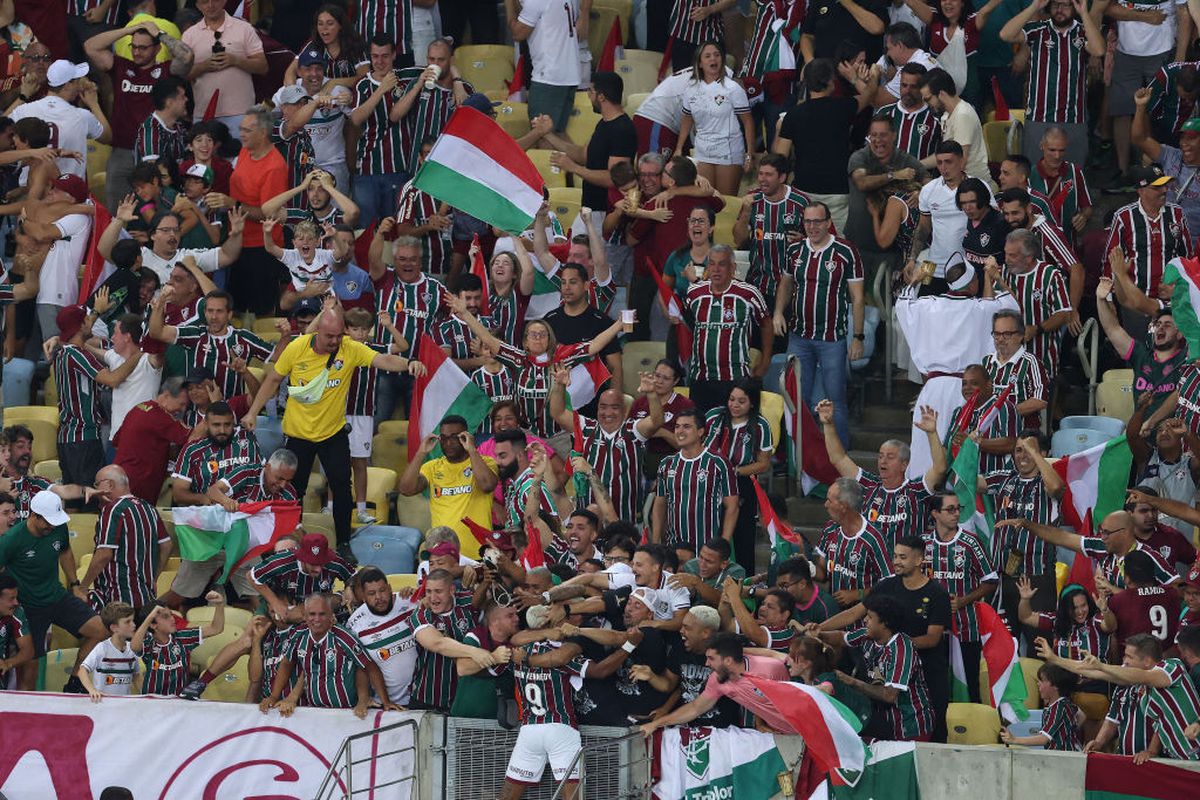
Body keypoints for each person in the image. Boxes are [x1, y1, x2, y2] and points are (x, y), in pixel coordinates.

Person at [241, 310, 425, 558]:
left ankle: (343, 543)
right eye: (329, 336)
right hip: (298, 435)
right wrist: (253, 412)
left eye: (339, 336)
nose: (334, 341)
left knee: (341, 487)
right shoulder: (297, 348)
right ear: (318, 331)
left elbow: (383, 360)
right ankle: (284, 541)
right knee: (293, 490)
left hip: (332, 433)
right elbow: (273, 379)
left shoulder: (350, 348)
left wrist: (409, 363)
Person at [816, 535, 952, 738]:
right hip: (887, 670)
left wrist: (893, 645)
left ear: (919, 560)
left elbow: (932, 638)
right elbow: (854, 614)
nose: (896, 561)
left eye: (903, 557)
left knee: (931, 728)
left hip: (927, 675)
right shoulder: (887, 585)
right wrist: (819, 628)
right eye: (895, 556)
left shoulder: (936, 593)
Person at [447, 292, 623, 443]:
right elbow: (489, 339)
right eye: (533, 334)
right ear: (525, 341)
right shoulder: (518, 359)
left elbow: (594, 345)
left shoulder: (562, 359)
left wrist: (619, 324)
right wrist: (465, 313)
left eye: (542, 334)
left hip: (559, 437)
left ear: (549, 339)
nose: (538, 337)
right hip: (526, 437)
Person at [774, 202, 863, 448]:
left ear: (827, 222)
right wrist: (778, 313)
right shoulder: (794, 251)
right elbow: (785, 284)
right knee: (795, 398)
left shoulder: (845, 251)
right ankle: (798, 458)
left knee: (835, 399)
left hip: (832, 338)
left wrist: (858, 336)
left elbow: (857, 297)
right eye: (808, 222)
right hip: (799, 336)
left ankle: (841, 454)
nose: (812, 227)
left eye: (817, 221)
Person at [350, 567, 504, 707]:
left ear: (451, 590)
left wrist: (482, 577)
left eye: (438, 591)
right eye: (428, 591)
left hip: (463, 697)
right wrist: (475, 652)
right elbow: (437, 643)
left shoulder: (466, 601)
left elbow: (489, 601)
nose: (432, 597)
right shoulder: (420, 613)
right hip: (428, 699)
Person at [83, 21, 193, 207]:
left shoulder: (166, 70)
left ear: (157, 48)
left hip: (153, 152)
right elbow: (90, 46)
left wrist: (159, 34)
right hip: (122, 151)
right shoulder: (122, 66)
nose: (136, 52)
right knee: (116, 208)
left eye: (143, 48)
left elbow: (187, 56)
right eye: (133, 46)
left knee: (154, 206)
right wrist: (132, 29)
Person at [1044, 633, 1200, 760]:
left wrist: (1102, 665)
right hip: (1179, 758)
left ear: (1146, 661)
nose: (1124, 661)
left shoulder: (1172, 666)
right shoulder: (1143, 689)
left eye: (1129, 657)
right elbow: (1092, 671)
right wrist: (1055, 659)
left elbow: (1141, 675)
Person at [773, 59, 878, 232]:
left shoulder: (793, 115)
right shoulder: (844, 107)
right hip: (837, 190)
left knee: (807, 243)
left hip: (803, 190)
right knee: (837, 246)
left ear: (806, 83)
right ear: (831, 82)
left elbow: (780, 156)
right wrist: (875, 76)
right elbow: (869, 94)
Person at [998, 0, 1104, 167]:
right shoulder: (1038, 29)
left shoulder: (1083, 31)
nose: (1060, 10)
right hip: (1038, 116)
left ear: (1074, 6)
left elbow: (1098, 49)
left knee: (1072, 174)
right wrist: (1034, 6)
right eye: (1055, 5)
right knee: (1035, 172)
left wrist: (1084, 13)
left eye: (1066, 5)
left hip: (1073, 117)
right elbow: (1006, 34)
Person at [549, 367, 661, 524]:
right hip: (588, 523)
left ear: (624, 410)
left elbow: (656, 421)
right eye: (603, 407)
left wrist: (652, 394)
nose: (608, 412)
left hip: (624, 521)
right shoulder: (585, 427)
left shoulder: (633, 431)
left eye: (615, 407)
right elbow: (557, 413)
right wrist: (559, 386)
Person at [50, 304, 141, 487]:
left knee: (74, 499)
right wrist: (139, 356)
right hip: (83, 437)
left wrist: (97, 311)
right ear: (81, 325)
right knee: (91, 499)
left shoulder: (61, 353)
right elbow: (113, 379)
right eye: (87, 320)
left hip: (67, 438)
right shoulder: (77, 355)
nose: (90, 323)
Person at [637, 632, 793, 738]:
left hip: (805, 729)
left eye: (711, 658)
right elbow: (695, 708)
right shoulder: (717, 679)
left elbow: (797, 698)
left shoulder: (771, 669)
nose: (706, 663)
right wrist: (656, 724)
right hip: (779, 735)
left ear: (728, 661)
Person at [262, 594, 393, 718]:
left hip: (347, 713)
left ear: (331, 615)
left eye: (322, 614)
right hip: (315, 713)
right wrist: (274, 696)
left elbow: (368, 667)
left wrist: (384, 702)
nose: (317, 619)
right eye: (312, 614)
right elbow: (287, 664)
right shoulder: (299, 636)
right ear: (305, 616)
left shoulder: (343, 637)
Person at [369, 230, 450, 423]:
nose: (407, 264)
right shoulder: (385, 278)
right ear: (394, 260)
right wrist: (380, 234)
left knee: (417, 426)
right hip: (384, 370)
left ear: (421, 261)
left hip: (417, 371)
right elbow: (373, 259)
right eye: (402, 259)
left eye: (413, 259)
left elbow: (457, 313)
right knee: (376, 422)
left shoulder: (436, 289)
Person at [536, 71, 637, 217]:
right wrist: (547, 134)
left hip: (606, 210)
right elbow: (583, 155)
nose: (588, 95)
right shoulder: (603, 123)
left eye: (591, 91)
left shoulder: (622, 130)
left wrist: (573, 168)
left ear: (601, 96)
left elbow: (614, 179)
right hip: (590, 206)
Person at [998, 511, 1178, 591]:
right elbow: (1061, 537)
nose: (1103, 536)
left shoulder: (1149, 556)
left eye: (1107, 533)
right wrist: (1027, 524)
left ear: (1125, 533)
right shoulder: (1101, 546)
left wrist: (1114, 590)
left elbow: (1178, 586)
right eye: (1101, 531)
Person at [399, 416, 499, 557]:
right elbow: (406, 489)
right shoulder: (432, 467)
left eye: (454, 437)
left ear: (465, 437)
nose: (448, 443)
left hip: (478, 554)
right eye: (444, 438)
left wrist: (472, 450)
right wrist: (421, 453)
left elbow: (487, 485)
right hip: (443, 556)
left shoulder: (485, 463)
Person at [77, 465, 172, 612]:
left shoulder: (113, 509)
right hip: (146, 598)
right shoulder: (148, 508)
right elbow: (166, 546)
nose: (95, 490)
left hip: (119, 600)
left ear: (109, 485)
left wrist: (82, 588)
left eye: (97, 484)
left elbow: (104, 554)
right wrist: (153, 578)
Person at [651, 409, 738, 563]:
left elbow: (732, 506)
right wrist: (656, 541)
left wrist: (723, 545)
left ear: (700, 432)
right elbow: (660, 503)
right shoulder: (666, 464)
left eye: (686, 426)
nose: (680, 431)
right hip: (674, 549)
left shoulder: (718, 463)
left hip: (708, 548)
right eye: (677, 427)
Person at [226, 110, 290, 315]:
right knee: (235, 308)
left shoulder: (275, 166)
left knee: (259, 313)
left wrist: (232, 203)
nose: (241, 134)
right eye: (241, 129)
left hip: (261, 247)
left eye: (247, 130)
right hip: (238, 241)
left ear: (262, 133)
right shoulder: (247, 150)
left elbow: (268, 214)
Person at [1105, 163, 1194, 302]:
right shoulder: (1124, 217)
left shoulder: (1177, 213)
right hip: (1135, 301)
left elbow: (1187, 258)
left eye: (1165, 185)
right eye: (1157, 187)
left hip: (1171, 301)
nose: (1164, 190)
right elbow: (1110, 261)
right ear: (1141, 190)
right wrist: (1108, 299)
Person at [673, 42, 754, 196]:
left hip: (729, 151)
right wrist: (679, 147)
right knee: (705, 199)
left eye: (717, 55)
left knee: (725, 202)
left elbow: (748, 121)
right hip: (703, 150)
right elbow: (687, 118)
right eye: (708, 56)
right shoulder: (691, 89)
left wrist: (750, 153)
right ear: (699, 63)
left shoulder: (733, 88)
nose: (713, 59)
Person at [997, 188, 1083, 331]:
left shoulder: (1047, 233)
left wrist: (1071, 310)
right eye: (1006, 214)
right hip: (1020, 306)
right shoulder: (1009, 227)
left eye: (1015, 213)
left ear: (1029, 209)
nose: (1010, 219)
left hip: (1048, 308)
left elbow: (1076, 269)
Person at [1096, 281, 1186, 418]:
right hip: (1137, 433)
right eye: (1158, 324)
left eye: (1167, 325)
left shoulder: (1185, 360)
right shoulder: (1140, 355)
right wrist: (1100, 299)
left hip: (1170, 435)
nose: (1160, 328)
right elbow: (1112, 329)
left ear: (1179, 334)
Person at [9, 59, 110, 179]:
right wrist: (94, 104)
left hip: (29, 189)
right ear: (67, 86)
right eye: (76, 81)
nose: (79, 85)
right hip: (68, 193)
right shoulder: (82, 116)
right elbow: (107, 137)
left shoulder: (23, 110)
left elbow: (2, 125)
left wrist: (22, 97)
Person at [996, 228, 1073, 382]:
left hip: (1041, 357)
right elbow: (988, 304)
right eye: (1006, 253)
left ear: (1029, 257)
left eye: (1012, 255)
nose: (1007, 259)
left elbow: (1064, 314)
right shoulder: (1003, 273)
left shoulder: (1050, 275)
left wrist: (1037, 329)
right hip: (1005, 360)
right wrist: (989, 276)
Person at [736, 153, 809, 313]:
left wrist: (804, 241)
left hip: (793, 286)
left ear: (782, 177)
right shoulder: (752, 200)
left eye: (768, 175)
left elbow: (819, 242)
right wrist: (746, 213)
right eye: (760, 174)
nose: (762, 179)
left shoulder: (800, 203)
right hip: (758, 284)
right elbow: (739, 240)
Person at [845, 113, 926, 258]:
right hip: (858, 243)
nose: (877, 140)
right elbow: (862, 183)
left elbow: (928, 180)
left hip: (892, 249)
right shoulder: (860, 157)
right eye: (873, 135)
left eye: (883, 135)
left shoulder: (905, 159)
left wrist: (922, 193)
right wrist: (893, 175)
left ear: (893, 136)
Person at [182, 0, 268, 133]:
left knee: (241, 154)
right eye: (204, 2)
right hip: (204, 114)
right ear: (197, 5)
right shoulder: (189, 35)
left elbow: (263, 67)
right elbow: (182, 75)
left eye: (214, 0)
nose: (210, 5)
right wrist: (203, 66)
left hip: (241, 113)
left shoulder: (244, 29)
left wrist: (235, 60)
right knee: (204, 154)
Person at [505, 0, 581, 133]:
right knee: (557, 135)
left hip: (548, 77)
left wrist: (509, 4)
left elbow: (518, 34)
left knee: (541, 136)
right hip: (569, 74)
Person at [131, 591, 225, 696]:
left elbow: (216, 628)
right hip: (152, 701)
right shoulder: (148, 642)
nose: (172, 619)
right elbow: (134, 647)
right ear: (153, 625)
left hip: (178, 702)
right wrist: (150, 617)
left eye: (171, 615)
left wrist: (220, 604)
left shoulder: (182, 637)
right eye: (166, 617)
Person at [171, 400, 262, 505]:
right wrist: (203, 499)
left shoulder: (247, 439)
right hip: (208, 513)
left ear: (233, 422)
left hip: (245, 511)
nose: (222, 430)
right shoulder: (192, 450)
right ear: (206, 423)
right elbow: (178, 493)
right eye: (216, 425)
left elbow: (261, 477)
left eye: (227, 424)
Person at [911, 141, 973, 277]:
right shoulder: (928, 190)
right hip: (932, 266)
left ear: (961, 161)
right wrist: (912, 260)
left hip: (967, 268)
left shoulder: (979, 187)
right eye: (939, 163)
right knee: (922, 298)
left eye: (948, 162)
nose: (943, 168)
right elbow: (923, 229)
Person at [1106, 550, 1182, 652]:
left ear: (1127, 579)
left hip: (1134, 664)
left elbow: (1113, 637)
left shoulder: (1117, 601)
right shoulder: (1172, 593)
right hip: (1168, 662)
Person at [982, 309, 1050, 424]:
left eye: (1007, 334)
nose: (1001, 339)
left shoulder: (1031, 362)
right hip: (988, 435)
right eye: (997, 334)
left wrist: (1003, 414)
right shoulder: (987, 362)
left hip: (1021, 436)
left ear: (1020, 336)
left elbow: (1040, 400)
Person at [1029, 126, 1094, 242]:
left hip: (1068, 243)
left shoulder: (1075, 172)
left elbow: (1087, 207)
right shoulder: (1029, 176)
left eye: (1062, 150)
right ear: (1041, 146)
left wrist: (1083, 216)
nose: (1057, 156)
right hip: (1037, 244)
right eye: (1052, 150)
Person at [1000, 663, 1082, 749]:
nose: (1038, 683)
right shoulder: (1061, 704)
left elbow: (1043, 739)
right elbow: (1082, 715)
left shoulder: (1059, 708)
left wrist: (1014, 740)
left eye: (1042, 681)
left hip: (1062, 757)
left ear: (1055, 686)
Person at [878, 63, 942, 162]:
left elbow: (943, 154)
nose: (907, 90)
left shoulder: (936, 119)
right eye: (904, 85)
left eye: (913, 87)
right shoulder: (884, 113)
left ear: (923, 88)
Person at [78, 602, 140, 701]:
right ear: (114, 628)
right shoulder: (102, 648)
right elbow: (82, 670)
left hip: (124, 705)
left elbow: (136, 676)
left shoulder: (132, 649)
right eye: (127, 622)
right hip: (103, 705)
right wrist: (92, 690)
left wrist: (145, 693)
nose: (133, 625)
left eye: (133, 620)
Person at [0, 573, 34, 686]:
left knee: (32, 662)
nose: (16, 602)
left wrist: (7, 664)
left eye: (16, 597)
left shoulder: (17, 612)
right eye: (11, 599)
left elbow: (28, 651)